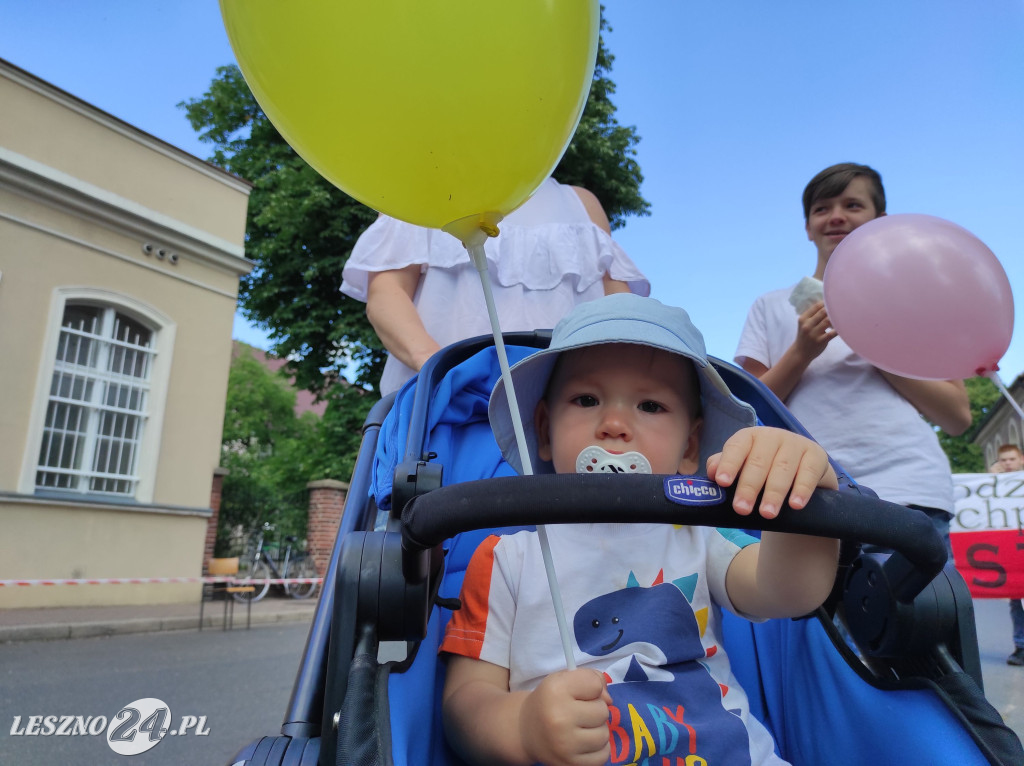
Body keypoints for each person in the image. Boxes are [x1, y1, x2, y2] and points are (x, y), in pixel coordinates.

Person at [441, 294, 840, 766]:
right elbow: (465, 703)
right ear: (545, 429)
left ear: (690, 446)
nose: (613, 425)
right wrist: (524, 728)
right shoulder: (508, 558)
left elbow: (789, 592)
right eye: (586, 400)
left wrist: (803, 501)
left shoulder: (699, 534)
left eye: (650, 405)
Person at [735, 162, 971, 548]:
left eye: (853, 205)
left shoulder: (919, 301)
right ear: (808, 227)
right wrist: (802, 352)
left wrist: (871, 344)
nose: (836, 217)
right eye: (822, 208)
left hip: (909, 492)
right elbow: (746, 411)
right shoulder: (772, 306)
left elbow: (958, 417)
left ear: (881, 220)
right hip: (803, 493)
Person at [340, 177, 650, 396]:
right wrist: (446, 372)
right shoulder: (419, 188)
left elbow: (621, 313)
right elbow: (387, 296)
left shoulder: (581, 204)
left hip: (566, 417)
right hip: (443, 412)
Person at [994, 444, 1024, 666]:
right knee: (1017, 601)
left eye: (1011, 459)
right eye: (1003, 460)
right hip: (1015, 552)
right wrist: (991, 481)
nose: (1007, 463)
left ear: (1021, 459)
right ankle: (1021, 646)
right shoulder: (993, 486)